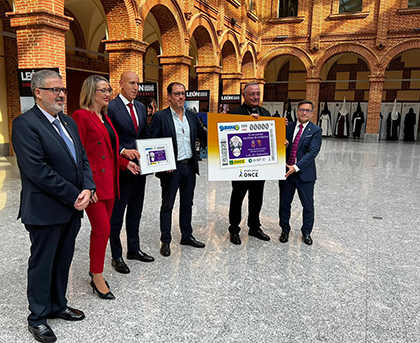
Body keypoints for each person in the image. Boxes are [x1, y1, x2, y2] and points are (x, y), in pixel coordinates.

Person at [12, 69, 96, 343]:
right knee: (42, 263)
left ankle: (57, 305)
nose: (61, 94)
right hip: (45, 209)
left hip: (72, 206)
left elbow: (81, 158)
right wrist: (74, 194)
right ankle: (37, 317)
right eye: (55, 90)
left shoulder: (68, 122)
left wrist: (88, 187)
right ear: (38, 92)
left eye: (62, 90)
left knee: (63, 260)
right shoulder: (25, 124)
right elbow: (37, 170)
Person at [72, 75, 140, 299]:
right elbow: (77, 154)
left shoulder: (106, 119)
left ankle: (95, 269)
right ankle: (97, 275)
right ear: (91, 92)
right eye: (102, 90)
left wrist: (124, 162)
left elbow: (110, 151)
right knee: (102, 229)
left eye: (108, 89)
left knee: (105, 229)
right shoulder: (81, 116)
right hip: (94, 187)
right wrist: (86, 186)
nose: (107, 93)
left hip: (111, 183)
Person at [149, 82, 207, 257]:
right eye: (177, 94)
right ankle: (165, 240)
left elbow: (203, 135)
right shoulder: (161, 117)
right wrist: (162, 164)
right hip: (170, 169)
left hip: (189, 166)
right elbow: (154, 142)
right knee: (167, 205)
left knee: (187, 203)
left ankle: (186, 236)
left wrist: (222, 132)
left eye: (183, 94)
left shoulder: (191, 116)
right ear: (169, 96)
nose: (181, 97)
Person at [107, 71, 154, 274]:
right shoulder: (111, 107)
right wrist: (121, 152)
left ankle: (134, 249)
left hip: (139, 170)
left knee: (135, 211)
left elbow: (143, 136)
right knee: (117, 215)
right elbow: (108, 138)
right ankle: (116, 255)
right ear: (121, 84)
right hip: (120, 169)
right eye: (132, 83)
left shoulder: (141, 108)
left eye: (138, 84)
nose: (136, 87)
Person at [227, 82, 271, 245]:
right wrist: (247, 121)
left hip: (259, 166)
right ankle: (234, 229)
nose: (255, 97)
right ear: (244, 95)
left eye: (258, 93)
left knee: (257, 197)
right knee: (237, 197)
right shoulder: (234, 113)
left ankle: (254, 227)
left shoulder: (265, 113)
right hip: (240, 166)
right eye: (252, 94)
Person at [279, 100, 322, 246]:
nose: (304, 113)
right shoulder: (287, 127)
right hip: (286, 173)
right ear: (297, 111)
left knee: (308, 205)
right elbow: (276, 141)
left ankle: (306, 232)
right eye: (302, 110)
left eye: (308, 110)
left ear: (312, 113)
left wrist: (296, 167)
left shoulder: (315, 131)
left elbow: (312, 153)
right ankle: (284, 230)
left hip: (304, 174)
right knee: (284, 203)